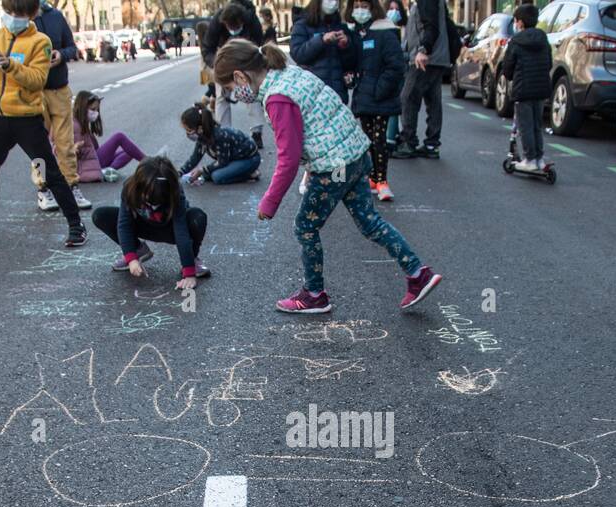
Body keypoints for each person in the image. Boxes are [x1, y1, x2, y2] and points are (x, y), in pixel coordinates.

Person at [214, 39, 442, 313]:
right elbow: (317, 122)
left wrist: (269, 202)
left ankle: (314, 294)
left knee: (305, 227)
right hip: (356, 154)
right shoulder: (288, 71)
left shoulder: (277, 97)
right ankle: (418, 274)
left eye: (231, 89)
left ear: (240, 76)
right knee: (370, 223)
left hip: (334, 167)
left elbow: (287, 158)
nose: (236, 95)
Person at [0, 0, 85, 248]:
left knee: (48, 173)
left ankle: (75, 225)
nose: (12, 17)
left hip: (26, 121)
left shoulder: (40, 42)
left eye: (19, 13)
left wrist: (9, 64)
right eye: (9, 12)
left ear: (30, 14)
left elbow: (37, 79)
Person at [91, 155, 211, 287]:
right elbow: (124, 224)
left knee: (197, 217)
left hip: (170, 230)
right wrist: (131, 258)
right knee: (100, 215)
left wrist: (189, 273)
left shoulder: (175, 190)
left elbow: (181, 230)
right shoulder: (130, 187)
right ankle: (137, 250)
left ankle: (192, 260)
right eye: (146, 196)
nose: (150, 200)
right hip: (144, 226)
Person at [30, 0, 89, 212]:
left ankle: (72, 186)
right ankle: (43, 189)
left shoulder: (55, 16)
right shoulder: (22, 18)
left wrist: (60, 55)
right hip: (35, 90)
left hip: (59, 88)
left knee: (65, 141)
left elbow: (72, 47)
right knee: (38, 143)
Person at [347, 0, 404, 201]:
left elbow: (396, 66)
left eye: (364, 5)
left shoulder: (385, 32)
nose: (360, 10)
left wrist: (380, 90)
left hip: (380, 96)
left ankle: (382, 181)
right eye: (356, 6)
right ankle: (373, 177)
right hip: (365, 96)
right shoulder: (357, 32)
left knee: (379, 140)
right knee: (369, 139)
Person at [391, 0, 458, 159]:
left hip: (426, 57)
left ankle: (408, 141)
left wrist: (424, 49)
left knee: (408, 97)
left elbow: (431, 26)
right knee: (433, 100)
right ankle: (431, 144)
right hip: (436, 57)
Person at [201, 0, 267, 148]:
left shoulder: (251, 21)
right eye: (229, 27)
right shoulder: (218, 21)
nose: (233, 29)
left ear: (241, 21)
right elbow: (207, 49)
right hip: (222, 58)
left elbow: (257, 44)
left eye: (236, 27)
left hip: (246, 58)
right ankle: (224, 133)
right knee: (221, 97)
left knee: (252, 94)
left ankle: (257, 133)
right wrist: (216, 65)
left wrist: (248, 66)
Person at [500, 3, 550, 173]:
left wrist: (510, 76)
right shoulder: (543, 38)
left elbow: (507, 67)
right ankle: (539, 158)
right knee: (537, 124)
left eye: (515, 21)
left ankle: (529, 159)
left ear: (520, 22)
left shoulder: (516, 41)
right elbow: (549, 62)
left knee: (525, 126)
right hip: (541, 88)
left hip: (523, 89)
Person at [290, 0, 358, 104]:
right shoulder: (302, 25)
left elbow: (351, 63)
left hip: (337, 95)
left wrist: (346, 46)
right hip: (312, 94)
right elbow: (298, 54)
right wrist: (321, 40)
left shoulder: (341, 26)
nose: (333, 3)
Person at [71, 91, 145, 183]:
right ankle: (149, 162)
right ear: (83, 108)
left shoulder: (81, 122)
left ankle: (107, 171)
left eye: (97, 110)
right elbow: (75, 153)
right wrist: (75, 149)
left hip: (92, 160)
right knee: (119, 136)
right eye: (93, 109)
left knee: (130, 151)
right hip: (87, 164)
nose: (96, 113)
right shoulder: (74, 125)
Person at [179, 102, 261, 185]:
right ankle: (238, 171)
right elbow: (195, 157)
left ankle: (250, 174)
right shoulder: (202, 136)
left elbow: (222, 162)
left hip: (250, 159)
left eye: (189, 130)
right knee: (207, 174)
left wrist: (202, 170)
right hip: (233, 159)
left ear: (199, 128)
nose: (188, 134)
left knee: (217, 177)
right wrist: (178, 173)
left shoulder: (219, 136)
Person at [383, 0, 407, 146]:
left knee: (397, 103)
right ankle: (390, 135)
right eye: (390, 9)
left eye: (396, 9)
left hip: (402, 70)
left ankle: (391, 137)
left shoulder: (405, 28)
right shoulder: (383, 28)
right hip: (388, 70)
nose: (393, 12)